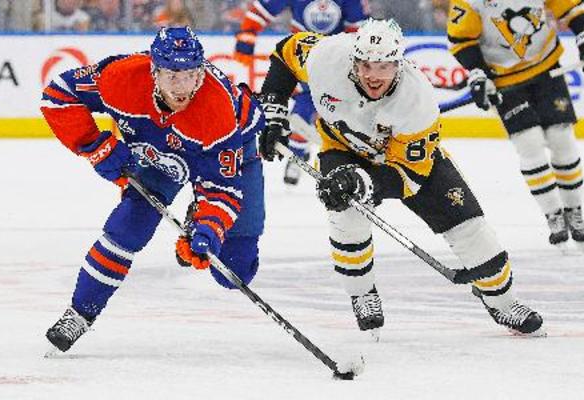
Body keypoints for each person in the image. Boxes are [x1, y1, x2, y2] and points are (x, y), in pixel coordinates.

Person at [258, 18, 545, 339]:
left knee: (471, 231)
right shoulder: (327, 56)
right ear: (353, 60)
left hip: (409, 164)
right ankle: (362, 293)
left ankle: (503, 302)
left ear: (398, 64)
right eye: (365, 65)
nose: (373, 75)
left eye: (383, 67)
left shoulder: (417, 100)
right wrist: (273, 115)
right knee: (347, 218)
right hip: (343, 149)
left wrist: (364, 184)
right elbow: (285, 54)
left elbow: (409, 177)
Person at [41, 26, 266, 353]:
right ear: (154, 70)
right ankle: (79, 313)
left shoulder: (217, 111)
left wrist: (209, 227)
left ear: (201, 72)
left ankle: (197, 215)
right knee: (128, 226)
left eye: (190, 75)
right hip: (163, 150)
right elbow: (58, 95)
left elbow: (222, 189)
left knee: (233, 272)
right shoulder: (122, 77)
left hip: (233, 146)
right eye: (172, 75)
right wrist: (95, 146)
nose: (182, 87)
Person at [447, 0, 584, 252]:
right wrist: (478, 72)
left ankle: (575, 210)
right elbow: (461, 40)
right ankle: (553, 213)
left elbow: (571, 7)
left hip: (546, 68)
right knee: (529, 143)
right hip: (504, 80)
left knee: (562, 140)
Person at [234, 0, 369, 185]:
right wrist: (248, 33)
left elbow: (357, 30)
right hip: (300, 57)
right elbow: (264, 9)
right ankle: (298, 154)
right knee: (302, 110)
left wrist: (354, 59)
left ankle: (330, 155)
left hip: (334, 63)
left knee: (334, 114)